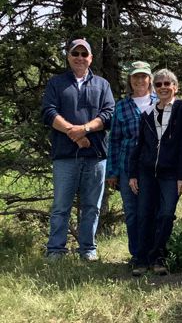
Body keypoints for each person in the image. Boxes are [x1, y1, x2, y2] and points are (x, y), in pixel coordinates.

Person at [42, 38, 115, 261]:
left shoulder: (103, 85)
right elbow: (48, 113)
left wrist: (84, 129)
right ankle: (55, 250)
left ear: (91, 58)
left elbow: (109, 114)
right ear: (69, 57)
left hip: (95, 157)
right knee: (61, 207)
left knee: (92, 206)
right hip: (65, 157)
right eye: (76, 54)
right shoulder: (56, 84)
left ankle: (87, 250)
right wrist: (74, 134)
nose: (80, 58)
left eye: (85, 54)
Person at [128, 68, 182, 276]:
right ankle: (141, 259)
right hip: (146, 172)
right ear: (154, 88)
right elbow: (139, 146)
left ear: (175, 87)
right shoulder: (147, 113)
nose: (163, 87)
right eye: (159, 84)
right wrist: (132, 173)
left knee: (166, 214)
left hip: (171, 173)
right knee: (144, 214)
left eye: (167, 84)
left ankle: (158, 257)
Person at [106, 61, 156, 267]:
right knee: (133, 213)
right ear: (130, 80)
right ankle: (137, 255)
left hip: (153, 168)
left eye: (143, 76)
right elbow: (114, 140)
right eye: (135, 77)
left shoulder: (159, 101)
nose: (139, 80)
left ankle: (154, 254)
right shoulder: (122, 107)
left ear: (150, 79)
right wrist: (112, 172)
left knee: (153, 210)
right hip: (127, 168)